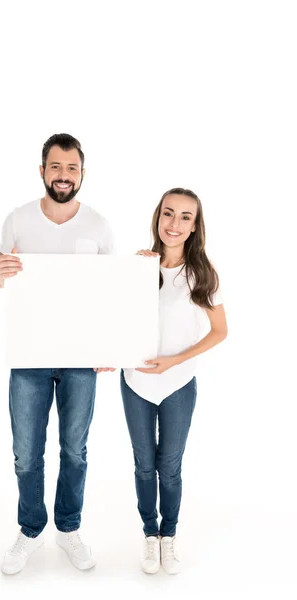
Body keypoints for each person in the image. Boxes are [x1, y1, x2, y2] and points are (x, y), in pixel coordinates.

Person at [0, 133, 115, 574]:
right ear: (42, 170)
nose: (64, 176)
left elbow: (110, 292)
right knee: (26, 452)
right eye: (56, 167)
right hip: (29, 354)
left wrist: (110, 343)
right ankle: (30, 528)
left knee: (75, 450)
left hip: (81, 355)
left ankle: (68, 527)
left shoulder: (98, 225)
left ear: (82, 173)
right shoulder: (18, 220)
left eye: (72, 168)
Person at [121, 188, 227, 575]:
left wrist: (175, 361)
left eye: (185, 217)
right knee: (144, 465)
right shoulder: (139, 266)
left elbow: (219, 331)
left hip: (179, 382)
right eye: (169, 214)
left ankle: (170, 537)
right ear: (157, 217)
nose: (175, 224)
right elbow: (117, 321)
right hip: (135, 381)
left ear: (195, 226)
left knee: (170, 466)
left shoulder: (202, 272)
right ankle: (150, 535)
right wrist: (133, 275)